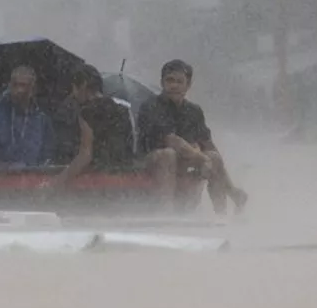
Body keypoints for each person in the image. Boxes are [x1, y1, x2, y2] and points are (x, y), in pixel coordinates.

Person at [138, 59, 248, 214]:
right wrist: (201, 158)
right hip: (153, 160)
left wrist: (224, 179)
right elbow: (172, 140)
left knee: (214, 156)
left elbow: (207, 143)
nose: (174, 85)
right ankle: (166, 211)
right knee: (168, 154)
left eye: (179, 81)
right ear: (162, 83)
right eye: (170, 80)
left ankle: (221, 213)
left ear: (188, 86)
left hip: (185, 159)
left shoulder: (194, 111)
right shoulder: (151, 106)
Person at [0, 65, 59, 170]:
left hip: (31, 178)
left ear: (33, 89)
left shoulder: (42, 120)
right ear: (9, 85)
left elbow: (48, 156)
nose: (18, 90)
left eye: (23, 85)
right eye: (15, 85)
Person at [67, 65, 136, 182]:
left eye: (73, 88)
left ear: (83, 86)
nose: (73, 94)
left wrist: (57, 182)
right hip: (123, 175)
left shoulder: (86, 112)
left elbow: (85, 155)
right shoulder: (123, 110)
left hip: (99, 176)